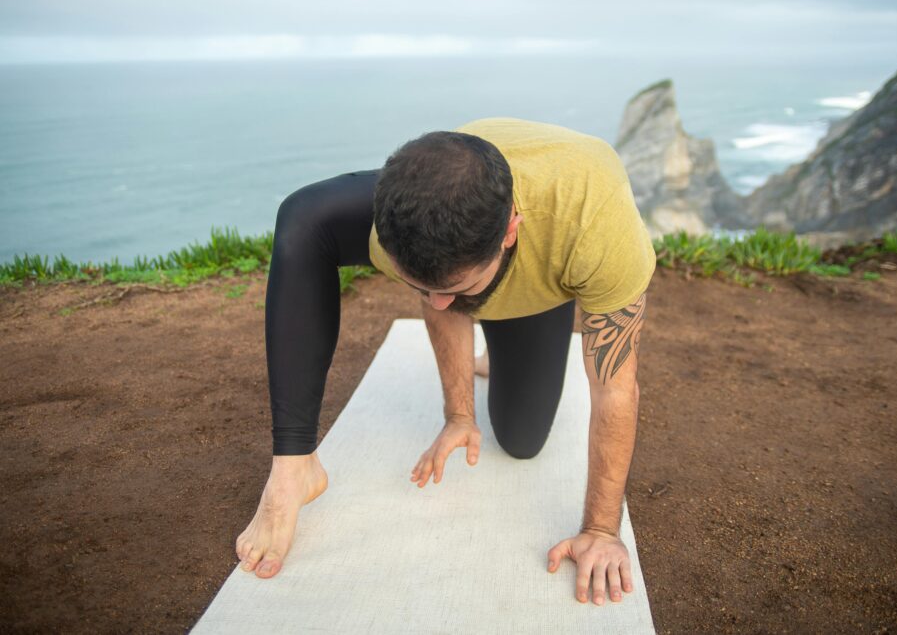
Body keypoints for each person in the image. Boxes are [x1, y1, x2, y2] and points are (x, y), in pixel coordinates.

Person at [235, 117, 655, 607]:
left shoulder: (593, 224)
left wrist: (602, 529)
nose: (434, 303)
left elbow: (615, 390)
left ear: (510, 232)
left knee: (522, 440)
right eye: (417, 288)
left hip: (546, 271)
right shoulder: (395, 225)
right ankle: (294, 468)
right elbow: (308, 219)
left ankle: (501, 332)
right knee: (305, 218)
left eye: (452, 289)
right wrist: (458, 413)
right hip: (455, 213)